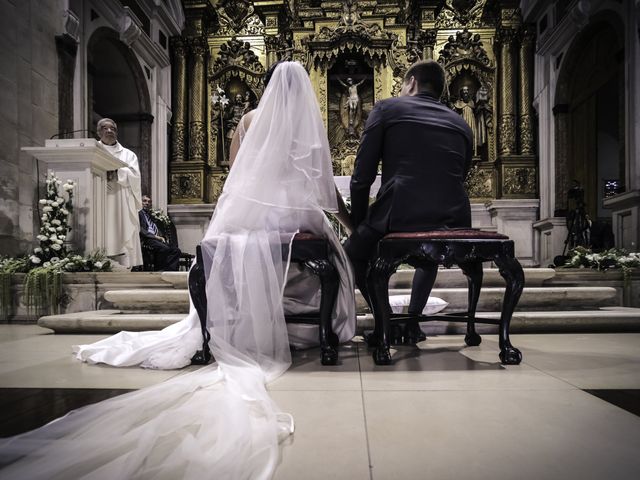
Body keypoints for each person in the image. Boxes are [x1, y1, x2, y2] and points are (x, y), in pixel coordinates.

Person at [0, 62, 356, 479]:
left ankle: (215, 334)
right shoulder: (309, 126)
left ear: (268, 86)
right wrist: (349, 226)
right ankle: (321, 331)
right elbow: (326, 188)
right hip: (298, 222)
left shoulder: (247, 120)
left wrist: (243, 214)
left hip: (252, 219)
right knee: (331, 253)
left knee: (226, 251)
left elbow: (234, 174)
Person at [344, 59, 472, 342]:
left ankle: (385, 321)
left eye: (402, 84)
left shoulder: (387, 109)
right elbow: (460, 173)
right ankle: (412, 323)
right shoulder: (461, 122)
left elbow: (361, 177)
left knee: (351, 254)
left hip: (399, 212)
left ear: (411, 82)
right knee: (428, 256)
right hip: (451, 217)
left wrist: (359, 224)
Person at [98, 118, 143, 268]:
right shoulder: (93, 151)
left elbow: (135, 176)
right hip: (99, 198)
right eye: (105, 128)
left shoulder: (128, 155)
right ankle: (97, 259)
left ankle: (124, 264)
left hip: (121, 199)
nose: (109, 131)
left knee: (121, 228)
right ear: (99, 132)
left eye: (112, 129)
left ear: (117, 132)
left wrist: (117, 173)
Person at [139, 195, 181, 271]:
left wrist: (162, 236)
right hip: (148, 239)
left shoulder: (151, 214)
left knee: (176, 250)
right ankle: (159, 269)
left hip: (158, 239)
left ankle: (170, 271)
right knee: (164, 248)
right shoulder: (139, 213)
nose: (147, 203)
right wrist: (156, 237)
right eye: (144, 201)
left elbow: (157, 227)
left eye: (149, 201)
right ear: (140, 202)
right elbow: (141, 229)